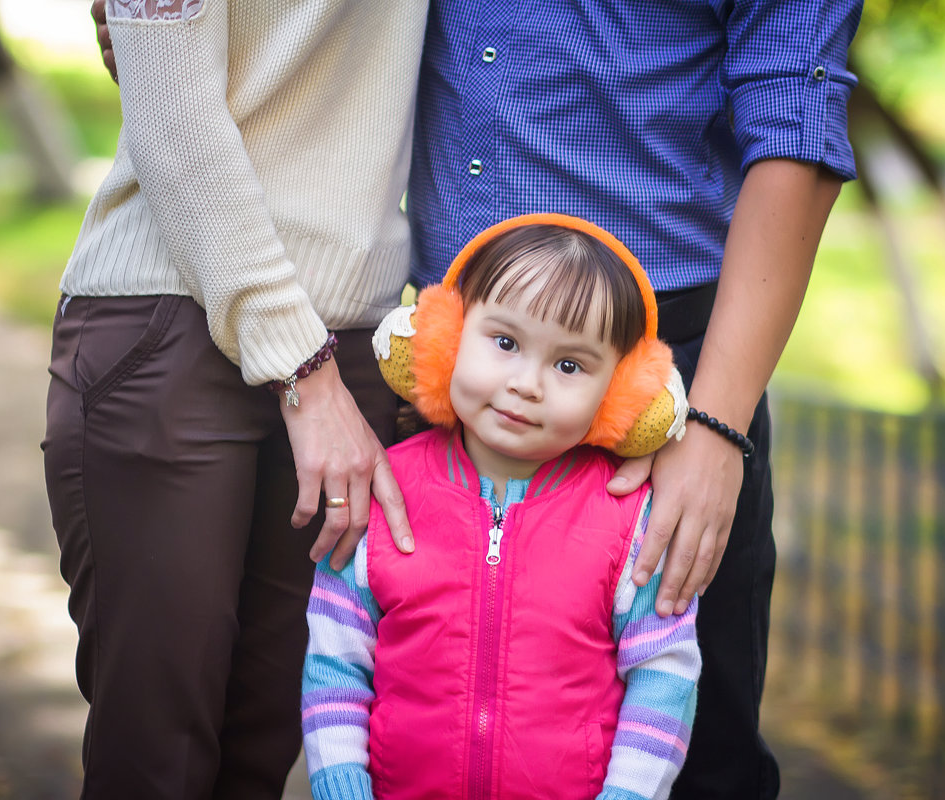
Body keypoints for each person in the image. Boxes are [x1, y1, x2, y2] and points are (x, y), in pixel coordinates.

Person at [406, 2, 863, 796]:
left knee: (691, 752)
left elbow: (798, 117)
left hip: (665, 385)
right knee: (428, 731)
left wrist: (715, 426)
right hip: (446, 361)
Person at [45, 1, 427, 797]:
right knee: (157, 759)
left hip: (352, 338)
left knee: (261, 752)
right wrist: (305, 369)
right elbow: (173, 122)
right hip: (171, 316)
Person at [301, 215, 701, 800]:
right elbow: (335, 664)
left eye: (570, 365)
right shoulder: (385, 490)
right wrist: (341, 787)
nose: (527, 384)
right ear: (445, 340)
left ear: (620, 396)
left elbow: (664, 674)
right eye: (506, 343)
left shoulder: (631, 521)